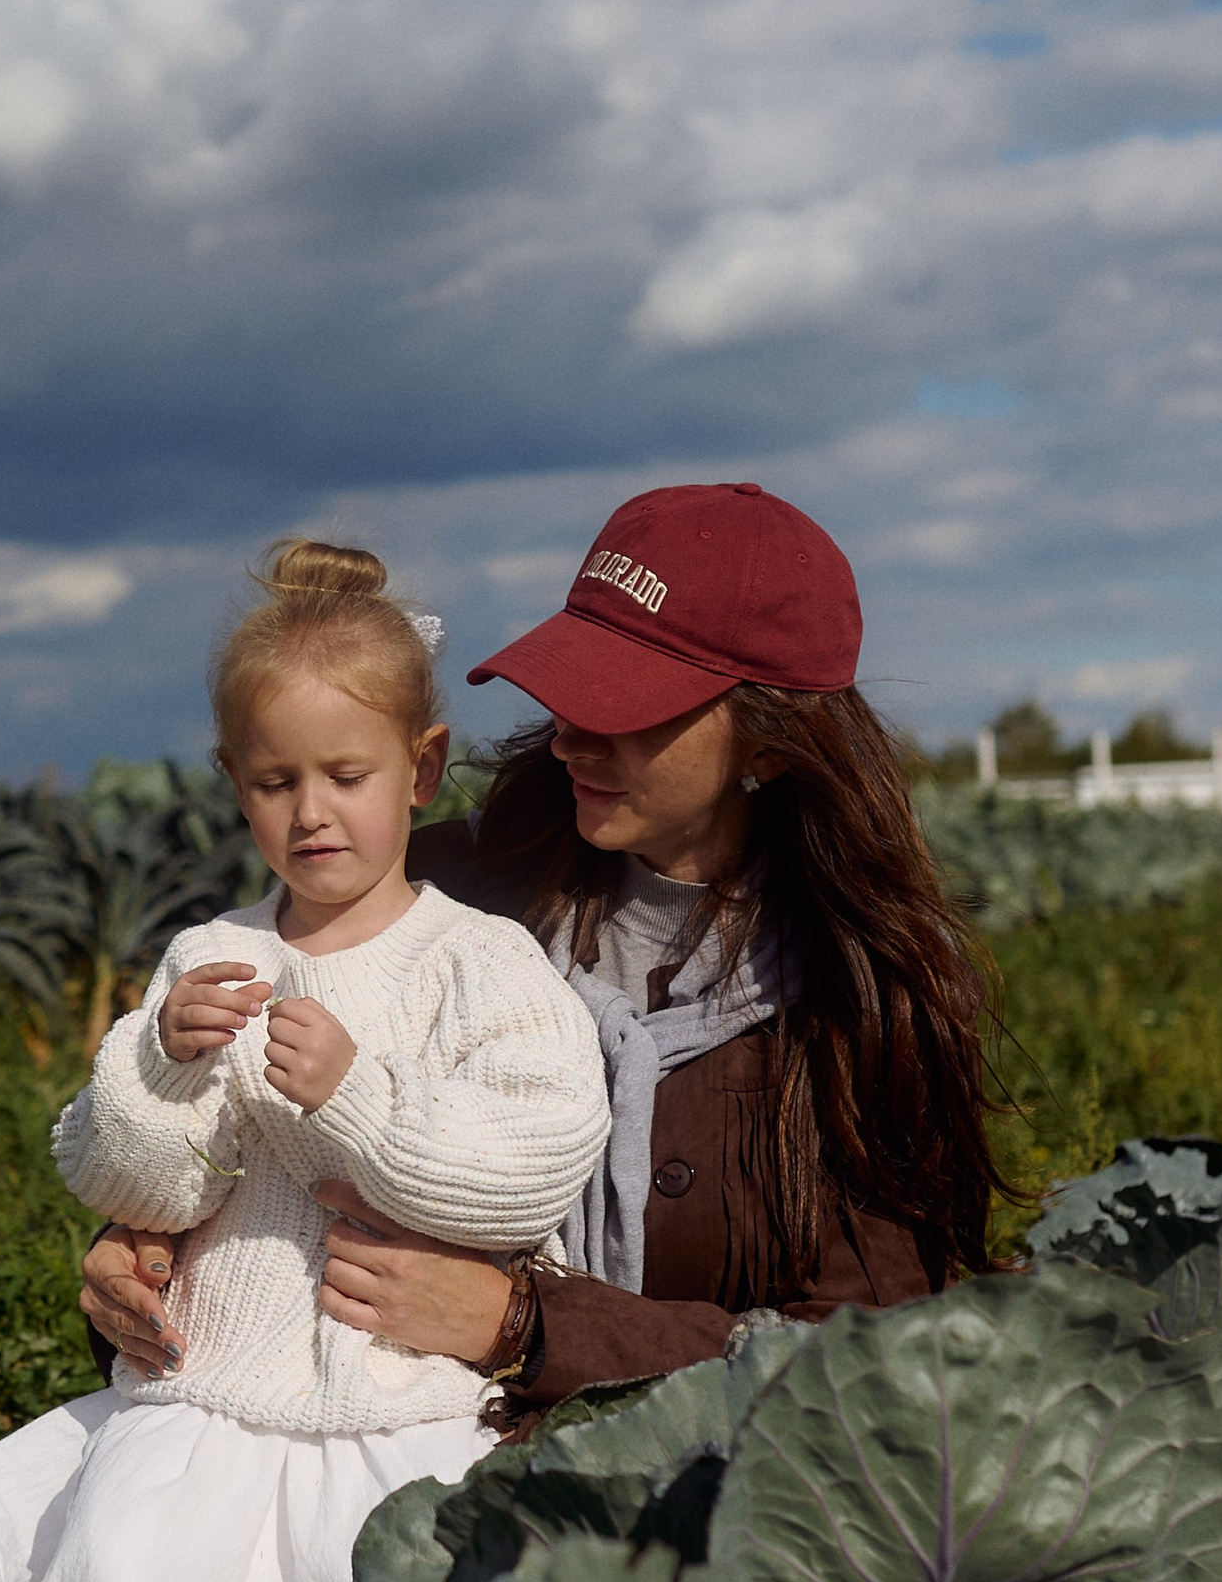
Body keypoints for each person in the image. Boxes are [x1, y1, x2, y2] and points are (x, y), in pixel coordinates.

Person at [0, 540, 610, 1582]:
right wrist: (160, 1067)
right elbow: (129, 1182)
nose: (311, 812)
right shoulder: (209, 959)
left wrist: (355, 1100)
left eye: (347, 775)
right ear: (232, 785)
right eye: (274, 782)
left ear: (423, 768)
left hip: (402, 1407)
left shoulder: (475, 962)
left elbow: (527, 1172)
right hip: (204, 1397)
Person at [82, 482, 999, 1416]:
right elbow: (245, 1155)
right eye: (570, 689)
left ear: (770, 744)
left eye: (626, 708)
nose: (570, 738)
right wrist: (146, 1253)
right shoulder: (428, 899)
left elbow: (873, 1362)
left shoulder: (864, 1007)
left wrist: (528, 1327)